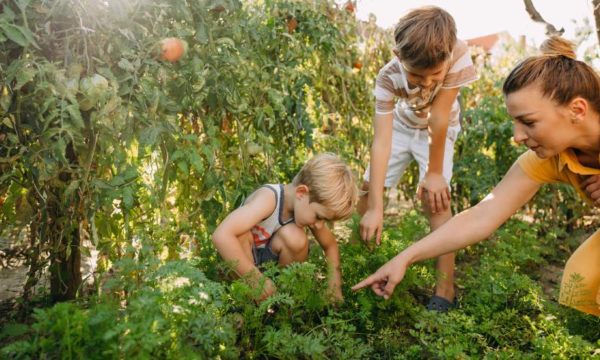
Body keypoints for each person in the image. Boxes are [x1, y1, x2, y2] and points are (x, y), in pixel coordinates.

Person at [352, 36, 600, 317]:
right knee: (580, 284)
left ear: (577, 110)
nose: (517, 137)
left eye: (529, 122)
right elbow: (482, 216)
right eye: (515, 123)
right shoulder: (550, 158)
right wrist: (404, 258)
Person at [357, 6, 477, 311]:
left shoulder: (459, 54)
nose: (425, 83)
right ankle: (361, 262)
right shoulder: (387, 78)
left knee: (436, 199)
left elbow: (439, 117)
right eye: (415, 75)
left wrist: (434, 174)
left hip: (441, 127)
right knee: (366, 190)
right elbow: (382, 141)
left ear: (448, 56)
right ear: (398, 56)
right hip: (401, 125)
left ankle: (445, 290)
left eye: (433, 75)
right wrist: (376, 206)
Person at [212, 153, 358, 301]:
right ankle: (246, 303)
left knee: (296, 237)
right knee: (240, 233)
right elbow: (222, 235)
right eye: (319, 217)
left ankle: (281, 302)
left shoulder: (307, 207)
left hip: (267, 269)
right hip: (239, 265)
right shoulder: (268, 199)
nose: (319, 225)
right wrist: (254, 278)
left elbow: (330, 245)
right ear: (301, 193)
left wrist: (334, 287)